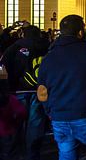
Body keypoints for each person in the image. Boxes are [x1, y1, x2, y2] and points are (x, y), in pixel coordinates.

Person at [36, 15, 86, 160]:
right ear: (80, 32)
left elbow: (42, 93)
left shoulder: (48, 57)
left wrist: (50, 111)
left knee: (66, 155)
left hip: (59, 117)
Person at [1, 25, 49, 160]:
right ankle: (32, 155)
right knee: (35, 126)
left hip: (17, 91)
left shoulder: (13, 48)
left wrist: (5, 87)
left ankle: (13, 154)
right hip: (39, 91)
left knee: (15, 127)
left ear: (23, 34)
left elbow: (2, 68)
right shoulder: (46, 47)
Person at [0, 78, 26, 160]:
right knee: (9, 154)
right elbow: (22, 112)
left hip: (6, 132)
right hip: (9, 132)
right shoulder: (10, 99)